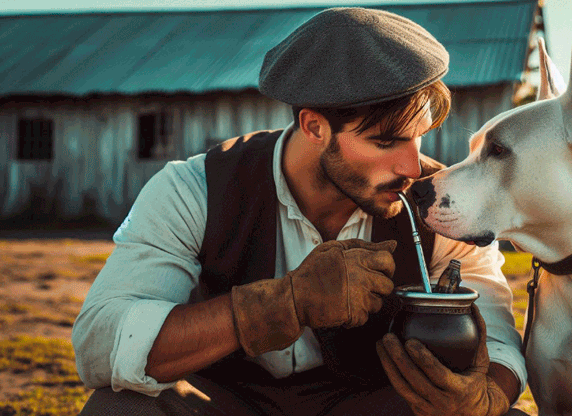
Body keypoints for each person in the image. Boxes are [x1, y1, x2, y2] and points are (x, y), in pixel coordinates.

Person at [73, 7, 527, 416]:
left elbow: (500, 340)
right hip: (223, 404)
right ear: (314, 126)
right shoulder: (194, 190)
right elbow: (101, 345)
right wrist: (283, 304)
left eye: (419, 137)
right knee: (117, 409)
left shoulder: (438, 203)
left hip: (375, 406)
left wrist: (485, 397)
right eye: (386, 142)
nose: (413, 167)